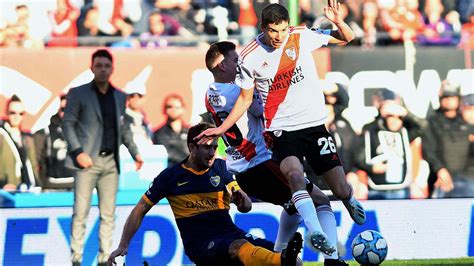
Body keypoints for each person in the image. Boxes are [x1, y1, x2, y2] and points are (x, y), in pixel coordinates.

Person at [197, 1, 365, 255]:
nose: (279, 37)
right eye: (273, 31)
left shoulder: (212, 94)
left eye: (283, 30)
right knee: (304, 186)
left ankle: (282, 251)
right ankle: (320, 242)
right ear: (263, 28)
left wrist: (338, 22)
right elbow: (248, 101)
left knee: (329, 193)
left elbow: (346, 37)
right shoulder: (249, 59)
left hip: (306, 129)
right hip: (272, 143)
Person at [204, 41, 348, 265]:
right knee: (320, 201)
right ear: (221, 66)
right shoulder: (237, 93)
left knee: (293, 207)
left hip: (243, 170)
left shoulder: (211, 93)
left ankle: (278, 255)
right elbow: (264, 110)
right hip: (260, 163)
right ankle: (332, 260)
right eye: (235, 60)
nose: (240, 64)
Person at [108, 123, 303, 266]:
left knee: (295, 261)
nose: (212, 152)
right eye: (206, 147)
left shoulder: (221, 167)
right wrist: (123, 245)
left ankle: (283, 259)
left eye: (214, 146)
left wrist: (241, 200)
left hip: (230, 234)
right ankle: (280, 260)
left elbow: (246, 207)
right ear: (192, 148)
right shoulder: (171, 176)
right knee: (243, 247)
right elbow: (140, 208)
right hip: (201, 244)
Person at [63, 49, 144, 266]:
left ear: (112, 68)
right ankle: (76, 259)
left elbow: (124, 127)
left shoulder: (119, 96)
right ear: (91, 68)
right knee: (80, 213)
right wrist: (78, 151)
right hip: (86, 162)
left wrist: (135, 152)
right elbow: (67, 124)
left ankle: (104, 259)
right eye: (98, 66)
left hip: (111, 163)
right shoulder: (78, 93)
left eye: (106, 66)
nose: (102, 70)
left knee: (108, 215)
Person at [422, 80, 472, 198]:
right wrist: (440, 170)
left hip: (467, 179)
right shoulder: (432, 122)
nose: (449, 100)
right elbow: (429, 151)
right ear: (440, 99)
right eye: (446, 97)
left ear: (458, 99)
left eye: (452, 97)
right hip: (441, 178)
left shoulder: (465, 121)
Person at [33, 94, 75, 190]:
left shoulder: (84, 132)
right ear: (59, 110)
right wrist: (41, 184)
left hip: (78, 187)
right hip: (53, 187)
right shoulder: (46, 133)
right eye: (64, 109)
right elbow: (36, 162)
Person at [0, 95, 40, 191]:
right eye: (13, 113)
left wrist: (37, 184)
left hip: (26, 189)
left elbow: (33, 165)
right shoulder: (1, 135)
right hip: (6, 191)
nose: (17, 116)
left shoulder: (27, 138)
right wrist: (2, 184)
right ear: (7, 112)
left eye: (20, 113)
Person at [153, 93, 189, 167]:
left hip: (189, 174)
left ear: (183, 109)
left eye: (177, 107)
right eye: (170, 107)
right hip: (169, 173)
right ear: (165, 109)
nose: (174, 110)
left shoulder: (190, 132)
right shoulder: (158, 134)